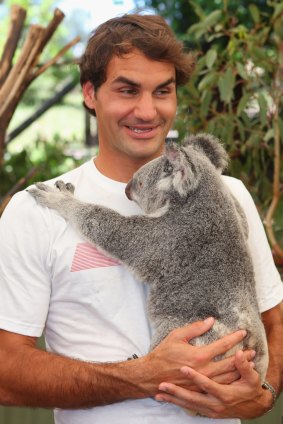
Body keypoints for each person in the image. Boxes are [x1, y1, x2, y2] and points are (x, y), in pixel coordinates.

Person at [0, 13, 282, 424]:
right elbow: (6, 374)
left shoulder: (228, 193)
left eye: (162, 91)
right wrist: (141, 376)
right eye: (127, 90)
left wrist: (264, 393)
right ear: (90, 94)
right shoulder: (37, 209)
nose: (147, 111)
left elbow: (275, 320)